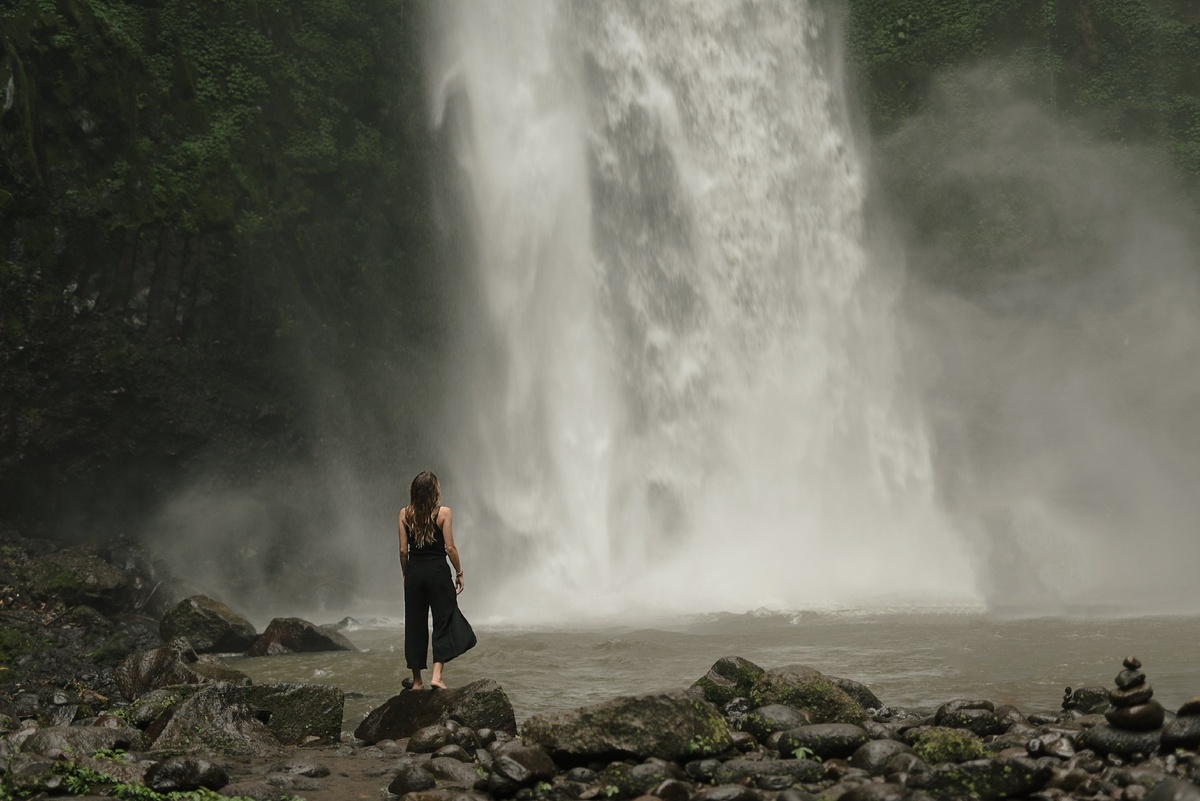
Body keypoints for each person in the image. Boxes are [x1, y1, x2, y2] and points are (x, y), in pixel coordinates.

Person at [398, 470, 466, 690]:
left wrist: (406, 573)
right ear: (435, 490)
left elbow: (402, 550)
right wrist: (459, 571)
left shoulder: (404, 514)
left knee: (415, 624)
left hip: (415, 572)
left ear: (415, 492)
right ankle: (436, 676)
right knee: (443, 620)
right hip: (437, 572)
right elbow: (450, 548)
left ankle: (417, 682)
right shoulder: (444, 513)